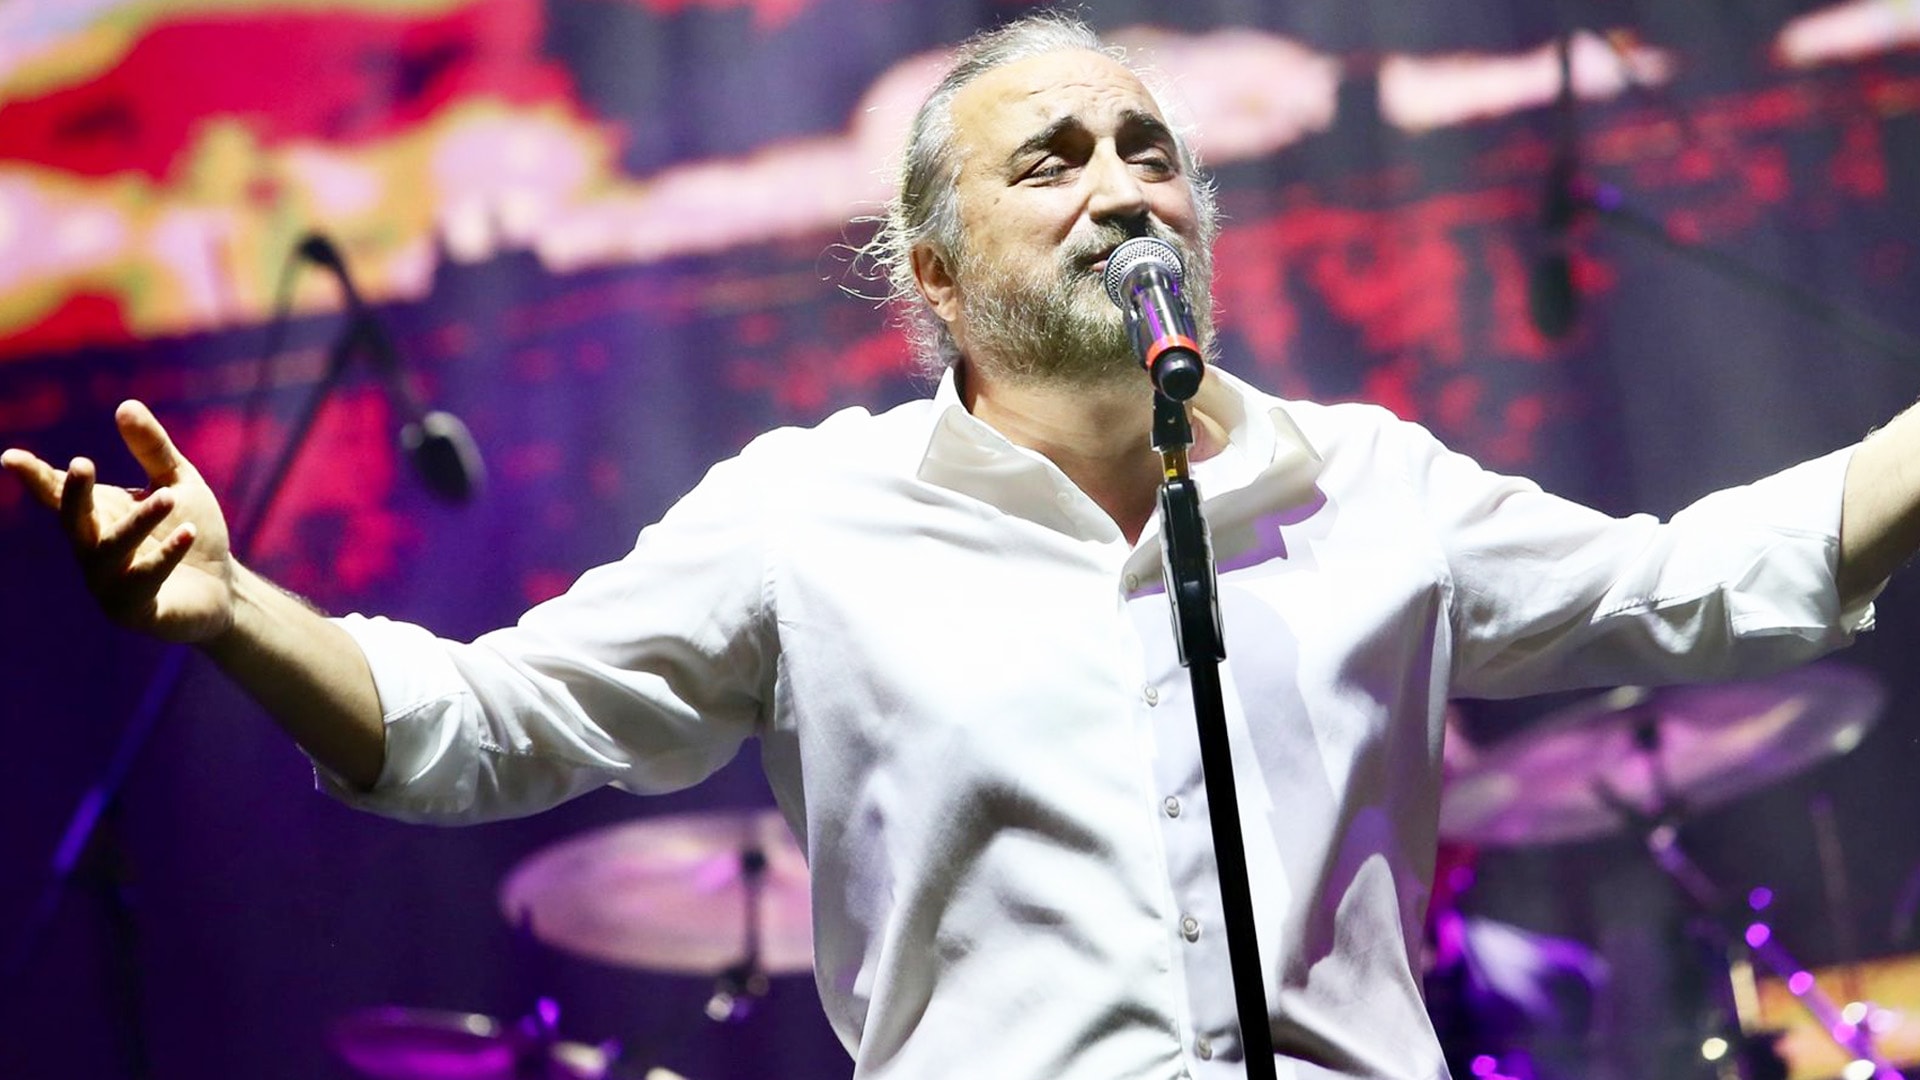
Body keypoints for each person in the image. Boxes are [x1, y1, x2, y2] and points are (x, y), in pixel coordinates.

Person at [5, 13, 1918, 1080]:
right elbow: (478, 725)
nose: (1122, 188)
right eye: (1052, 161)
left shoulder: (1366, 485)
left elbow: (1704, 583)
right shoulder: (808, 517)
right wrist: (234, 611)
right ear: (933, 272)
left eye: (1149, 151)